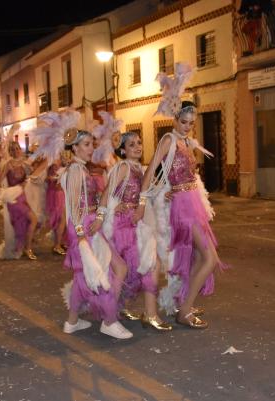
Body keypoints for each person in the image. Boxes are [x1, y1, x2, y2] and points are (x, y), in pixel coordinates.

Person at [136, 62, 229, 329]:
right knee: (209, 258)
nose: (188, 127)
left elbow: (189, 177)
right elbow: (151, 172)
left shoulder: (186, 142)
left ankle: (182, 301)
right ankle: (184, 310)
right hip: (182, 207)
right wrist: (144, 203)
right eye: (184, 122)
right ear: (175, 118)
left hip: (193, 203)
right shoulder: (167, 140)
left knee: (199, 257)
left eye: (191, 123)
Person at [93, 130, 172, 331]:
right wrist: (108, 210)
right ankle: (150, 315)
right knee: (148, 265)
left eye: (139, 142)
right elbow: (106, 193)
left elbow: (147, 195)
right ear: (123, 150)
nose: (137, 147)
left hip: (138, 223)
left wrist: (164, 196)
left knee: (139, 267)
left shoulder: (140, 168)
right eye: (131, 145)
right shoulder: (123, 167)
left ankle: (122, 308)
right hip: (124, 227)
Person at [60, 120, 132, 339]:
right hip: (86, 227)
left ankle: (72, 321)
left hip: (87, 224)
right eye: (87, 144)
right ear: (75, 148)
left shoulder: (80, 168)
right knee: (116, 269)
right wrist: (82, 234)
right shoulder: (75, 171)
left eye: (92, 144)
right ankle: (109, 321)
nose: (91, 148)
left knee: (84, 275)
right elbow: (73, 205)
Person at [0, 141, 39, 260]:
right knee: (33, 219)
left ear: (21, 149)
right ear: (10, 152)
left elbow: (34, 175)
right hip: (13, 199)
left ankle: (25, 246)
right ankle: (27, 249)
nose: (16, 151)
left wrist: (28, 177)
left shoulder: (25, 163)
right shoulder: (8, 165)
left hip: (24, 197)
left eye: (17, 148)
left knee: (27, 222)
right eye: (12, 150)